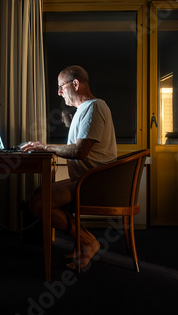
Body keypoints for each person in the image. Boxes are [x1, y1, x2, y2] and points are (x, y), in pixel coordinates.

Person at [21, 65, 117, 269]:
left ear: (75, 84)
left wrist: (46, 148)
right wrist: (45, 147)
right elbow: (77, 148)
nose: (58, 92)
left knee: (39, 203)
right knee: (39, 192)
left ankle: (88, 241)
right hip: (86, 180)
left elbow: (80, 151)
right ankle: (84, 241)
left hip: (96, 183)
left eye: (61, 87)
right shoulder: (84, 110)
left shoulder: (95, 107)